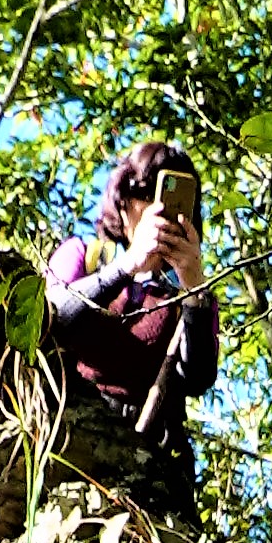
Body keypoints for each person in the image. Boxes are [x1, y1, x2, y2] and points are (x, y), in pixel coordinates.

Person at [44, 135, 221, 505]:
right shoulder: (85, 256)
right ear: (123, 206)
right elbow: (54, 318)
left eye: (175, 200)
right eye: (148, 193)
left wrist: (194, 293)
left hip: (155, 462)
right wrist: (126, 268)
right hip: (73, 439)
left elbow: (197, 376)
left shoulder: (188, 292)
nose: (161, 210)